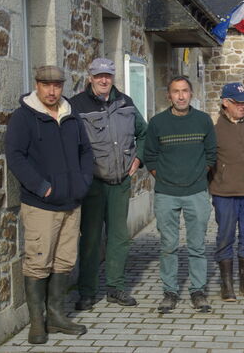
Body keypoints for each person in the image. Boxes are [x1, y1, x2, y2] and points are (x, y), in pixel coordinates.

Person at [5, 65, 92, 344]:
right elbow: (15, 156)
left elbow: (85, 151)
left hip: (71, 201)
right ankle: (37, 323)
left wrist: (83, 182)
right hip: (41, 204)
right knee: (38, 262)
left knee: (65, 260)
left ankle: (56, 316)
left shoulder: (71, 115)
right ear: (37, 85)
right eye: (46, 85)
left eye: (57, 85)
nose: (52, 91)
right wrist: (42, 187)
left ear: (62, 86)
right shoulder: (23, 117)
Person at [70, 58, 147, 310]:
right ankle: (88, 292)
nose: (104, 80)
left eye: (108, 76)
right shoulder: (76, 106)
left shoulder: (125, 102)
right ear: (90, 77)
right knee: (90, 238)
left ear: (113, 77)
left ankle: (116, 288)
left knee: (118, 237)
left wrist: (138, 158)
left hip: (120, 182)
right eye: (99, 75)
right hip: (92, 184)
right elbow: (69, 143)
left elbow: (144, 134)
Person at [144, 76, 217, 313]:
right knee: (168, 245)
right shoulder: (157, 123)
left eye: (185, 91)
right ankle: (170, 291)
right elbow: (150, 156)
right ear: (169, 95)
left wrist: (198, 175)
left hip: (196, 191)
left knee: (197, 245)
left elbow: (211, 154)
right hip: (167, 192)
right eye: (176, 91)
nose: (181, 96)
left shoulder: (203, 120)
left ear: (191, 93)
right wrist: (164, 178)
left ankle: (198, 290)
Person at [209, 82, 244, 302]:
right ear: (226, 103)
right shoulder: (213, 125)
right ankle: (227, 285)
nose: (243, 106)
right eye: (239, 102)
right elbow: (209, 158)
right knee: (225, 237)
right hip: (224, 193)